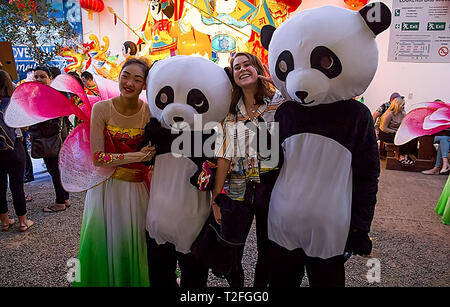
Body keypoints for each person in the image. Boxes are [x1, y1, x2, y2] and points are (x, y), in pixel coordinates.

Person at [73, 58, 155, 286]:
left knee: (135, 238)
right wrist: (137, 157)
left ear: (145, 85)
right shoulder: (101, 108)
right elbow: (98, 158)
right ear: (118, 77)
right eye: (125, 76)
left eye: (137, 79)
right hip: (106, 188)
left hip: (137, 188)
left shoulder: (149, 113)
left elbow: (155, 154)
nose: (129, 83)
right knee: (105, 239)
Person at [212, 52, 283, 287]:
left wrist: (276, 82)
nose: (242, 69)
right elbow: (224, 156)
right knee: (231, 249)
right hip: (236, 190)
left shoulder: (277, 103)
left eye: (247, 65)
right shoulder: (230, 112)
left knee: (269, 251)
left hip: (271, 188)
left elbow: (301, 99)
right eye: (236, 67)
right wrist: (215, 198)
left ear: (257, 68)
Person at [28, 66, 70, 212]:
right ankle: (65, 198)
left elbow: (48, 125)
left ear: (50, 78)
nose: (39, 79)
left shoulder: (47, 96)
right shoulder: (55, 93)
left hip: (51, 140)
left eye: (42, 76)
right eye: (36, 77)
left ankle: (60, 202)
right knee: (59, 170)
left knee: (54, 170)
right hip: (58, 139)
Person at [0, 70, 34, 232]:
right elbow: (25, 126)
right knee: (17, 185)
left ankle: (5, 222)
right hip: (15, 147)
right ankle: (22, 222)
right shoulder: (14, 103)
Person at [378, 96, 417, 165]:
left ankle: (407, 156)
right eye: (402, 105)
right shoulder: (389, 114)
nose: (403, 107)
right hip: (386, 133)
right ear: (397, 105)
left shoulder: (402, 113)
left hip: (396, 132)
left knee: (411, 137)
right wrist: (395, 132)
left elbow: (404, 124)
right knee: (401, 138)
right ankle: (401, 157)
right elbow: (383, 128)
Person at [373, 92, 404, 157]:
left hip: (392, 128)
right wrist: (373, 127)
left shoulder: (401, 110)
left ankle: (402, 155)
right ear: (392, 99)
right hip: (383, 127)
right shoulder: (385, 106)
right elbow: (375, 115)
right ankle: (382, 153)